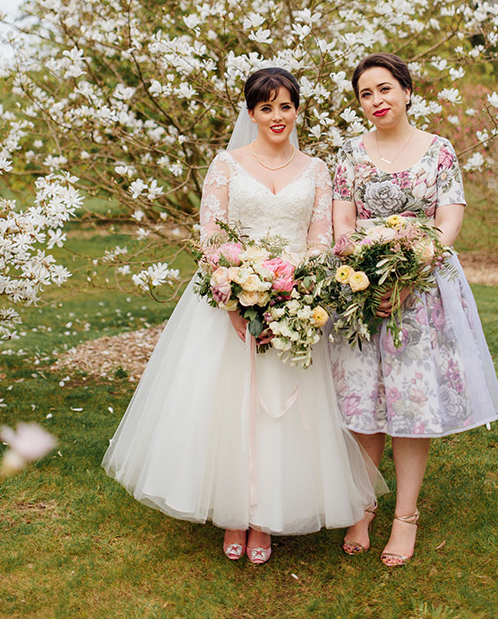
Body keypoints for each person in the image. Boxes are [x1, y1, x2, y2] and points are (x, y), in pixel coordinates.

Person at [102, 67, 384, 565]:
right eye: (266, 107)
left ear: (297, 110)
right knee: (228, 407)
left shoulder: (317, 170)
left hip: (294, 302)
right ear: (251, 113)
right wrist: (236, 299)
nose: (277, 116)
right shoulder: (226, 164)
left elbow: (319, 237)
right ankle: (233, 514)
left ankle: (264, 520)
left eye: (286, 106)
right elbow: (211, 235)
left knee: (281, 410)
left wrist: (294, 292)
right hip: (227, 303)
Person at [329, 52, 498, 567]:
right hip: (360, 290)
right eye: (365, 93)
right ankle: (362, 506)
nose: (376, 101)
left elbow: (448, 221)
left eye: (385, 89)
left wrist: (410, 272)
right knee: (363, 403)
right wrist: (362, 267)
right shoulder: (348, 153)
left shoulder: (439, 150)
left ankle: (404, 517)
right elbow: (342, 223)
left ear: (407, 91)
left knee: (410, 403)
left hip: (422, 294)